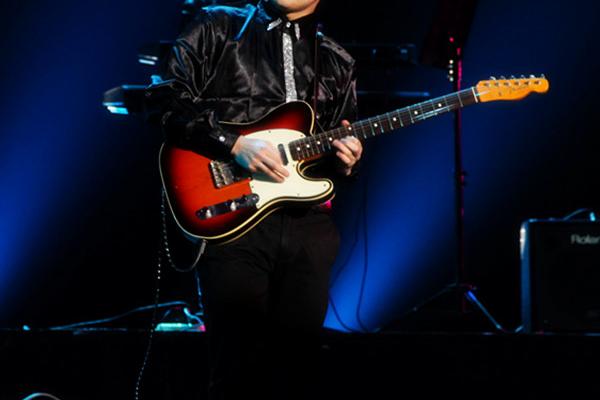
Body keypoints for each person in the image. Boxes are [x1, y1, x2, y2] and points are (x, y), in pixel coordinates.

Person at [148, 0, 362, 398]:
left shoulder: (336, 59)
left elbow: (335, 150)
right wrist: (232, 144)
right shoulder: (217, 26)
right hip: (234, 218)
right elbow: (163, 99)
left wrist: (347, 161)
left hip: (308, 227)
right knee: (237, 369)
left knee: (297, 371)